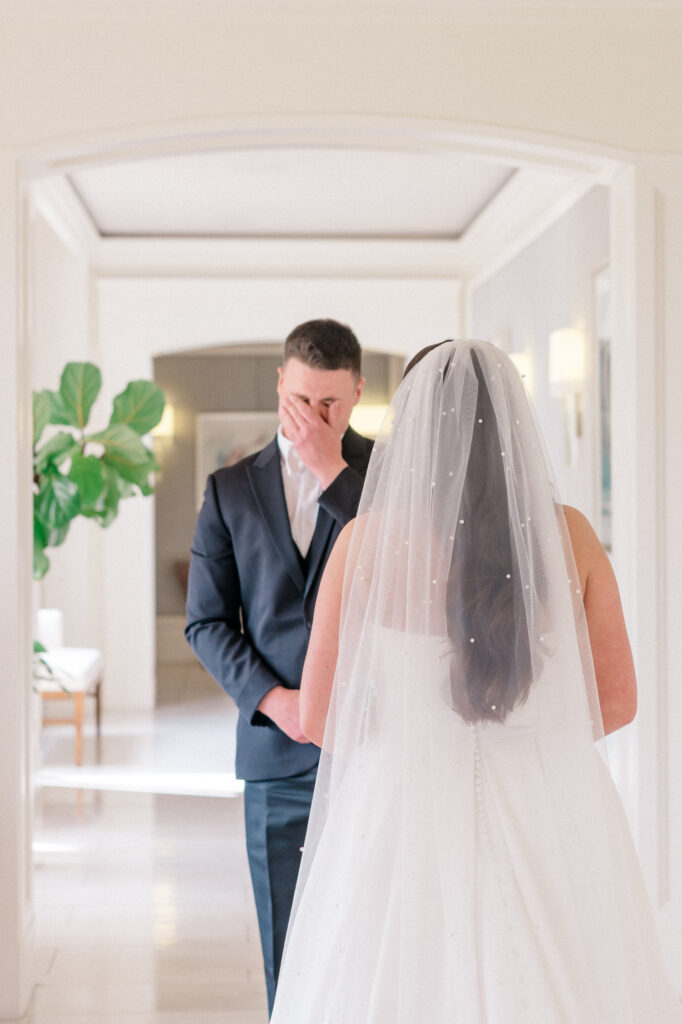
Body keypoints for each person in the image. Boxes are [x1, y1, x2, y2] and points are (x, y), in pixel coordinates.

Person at [270, 340, 682, 1022]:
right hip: (545, 803)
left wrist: (406, 734)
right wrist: (529, 738)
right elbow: (618, 699)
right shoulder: (570, 537)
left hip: (400, 803)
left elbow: (317, 719)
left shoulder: (363, 544)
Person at [185, 319, 373, 1014]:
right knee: (286, 944)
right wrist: (277, 701)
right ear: (279, 385)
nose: (313, 420)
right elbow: (205, 622)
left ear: (356, 392)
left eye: (329, 405)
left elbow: (413, 585)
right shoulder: (229, 489)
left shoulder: (386, 479)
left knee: (370, 935)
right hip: (274, 752)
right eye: (300, 402)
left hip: (371, 749)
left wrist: (332, 472)